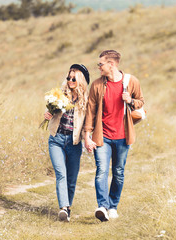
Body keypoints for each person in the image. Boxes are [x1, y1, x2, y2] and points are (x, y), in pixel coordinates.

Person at [84, 50, 144, 221]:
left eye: (101, 64)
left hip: (123, 137)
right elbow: (90, 112)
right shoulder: (96, 85)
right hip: (102, 136)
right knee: (101, 170)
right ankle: (102, 206)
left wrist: (130, 101)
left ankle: (113, 206)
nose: (99, 67)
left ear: (111, 64)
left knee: (118, 172)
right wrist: (87, 136)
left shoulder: (131, 82)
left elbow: (141, 101)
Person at [44, 64, 90, 222]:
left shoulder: (86, 101)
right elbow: (51, 112)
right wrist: (48, 114)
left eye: (74, 78)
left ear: (80, 81)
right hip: (56, 140)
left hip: (74, 143)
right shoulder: (60, 95)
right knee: (61, 174)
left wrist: (89, 139)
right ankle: (63, 207)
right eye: (69, 78)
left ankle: (68, 209)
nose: (70, 80)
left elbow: (87, 125)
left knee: (71, 179)